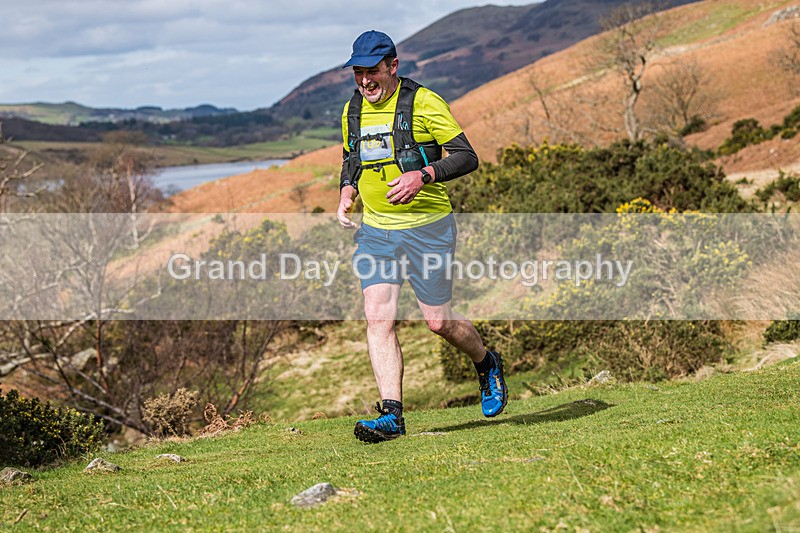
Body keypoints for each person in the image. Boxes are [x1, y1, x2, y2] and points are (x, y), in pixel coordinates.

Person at [337, 30, 508, 443]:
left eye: (372, 72)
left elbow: (468, 157)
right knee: (378, 317)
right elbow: (351, 158)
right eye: (358, 73)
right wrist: (347, 190)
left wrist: (424, 174)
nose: (365, 82)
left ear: (393, 66)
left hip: (428, 229)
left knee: (438, 321)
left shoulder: (424, 103)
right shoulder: (353, 110)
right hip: (377, 232)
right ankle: (392, 415)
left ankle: (486, 363)